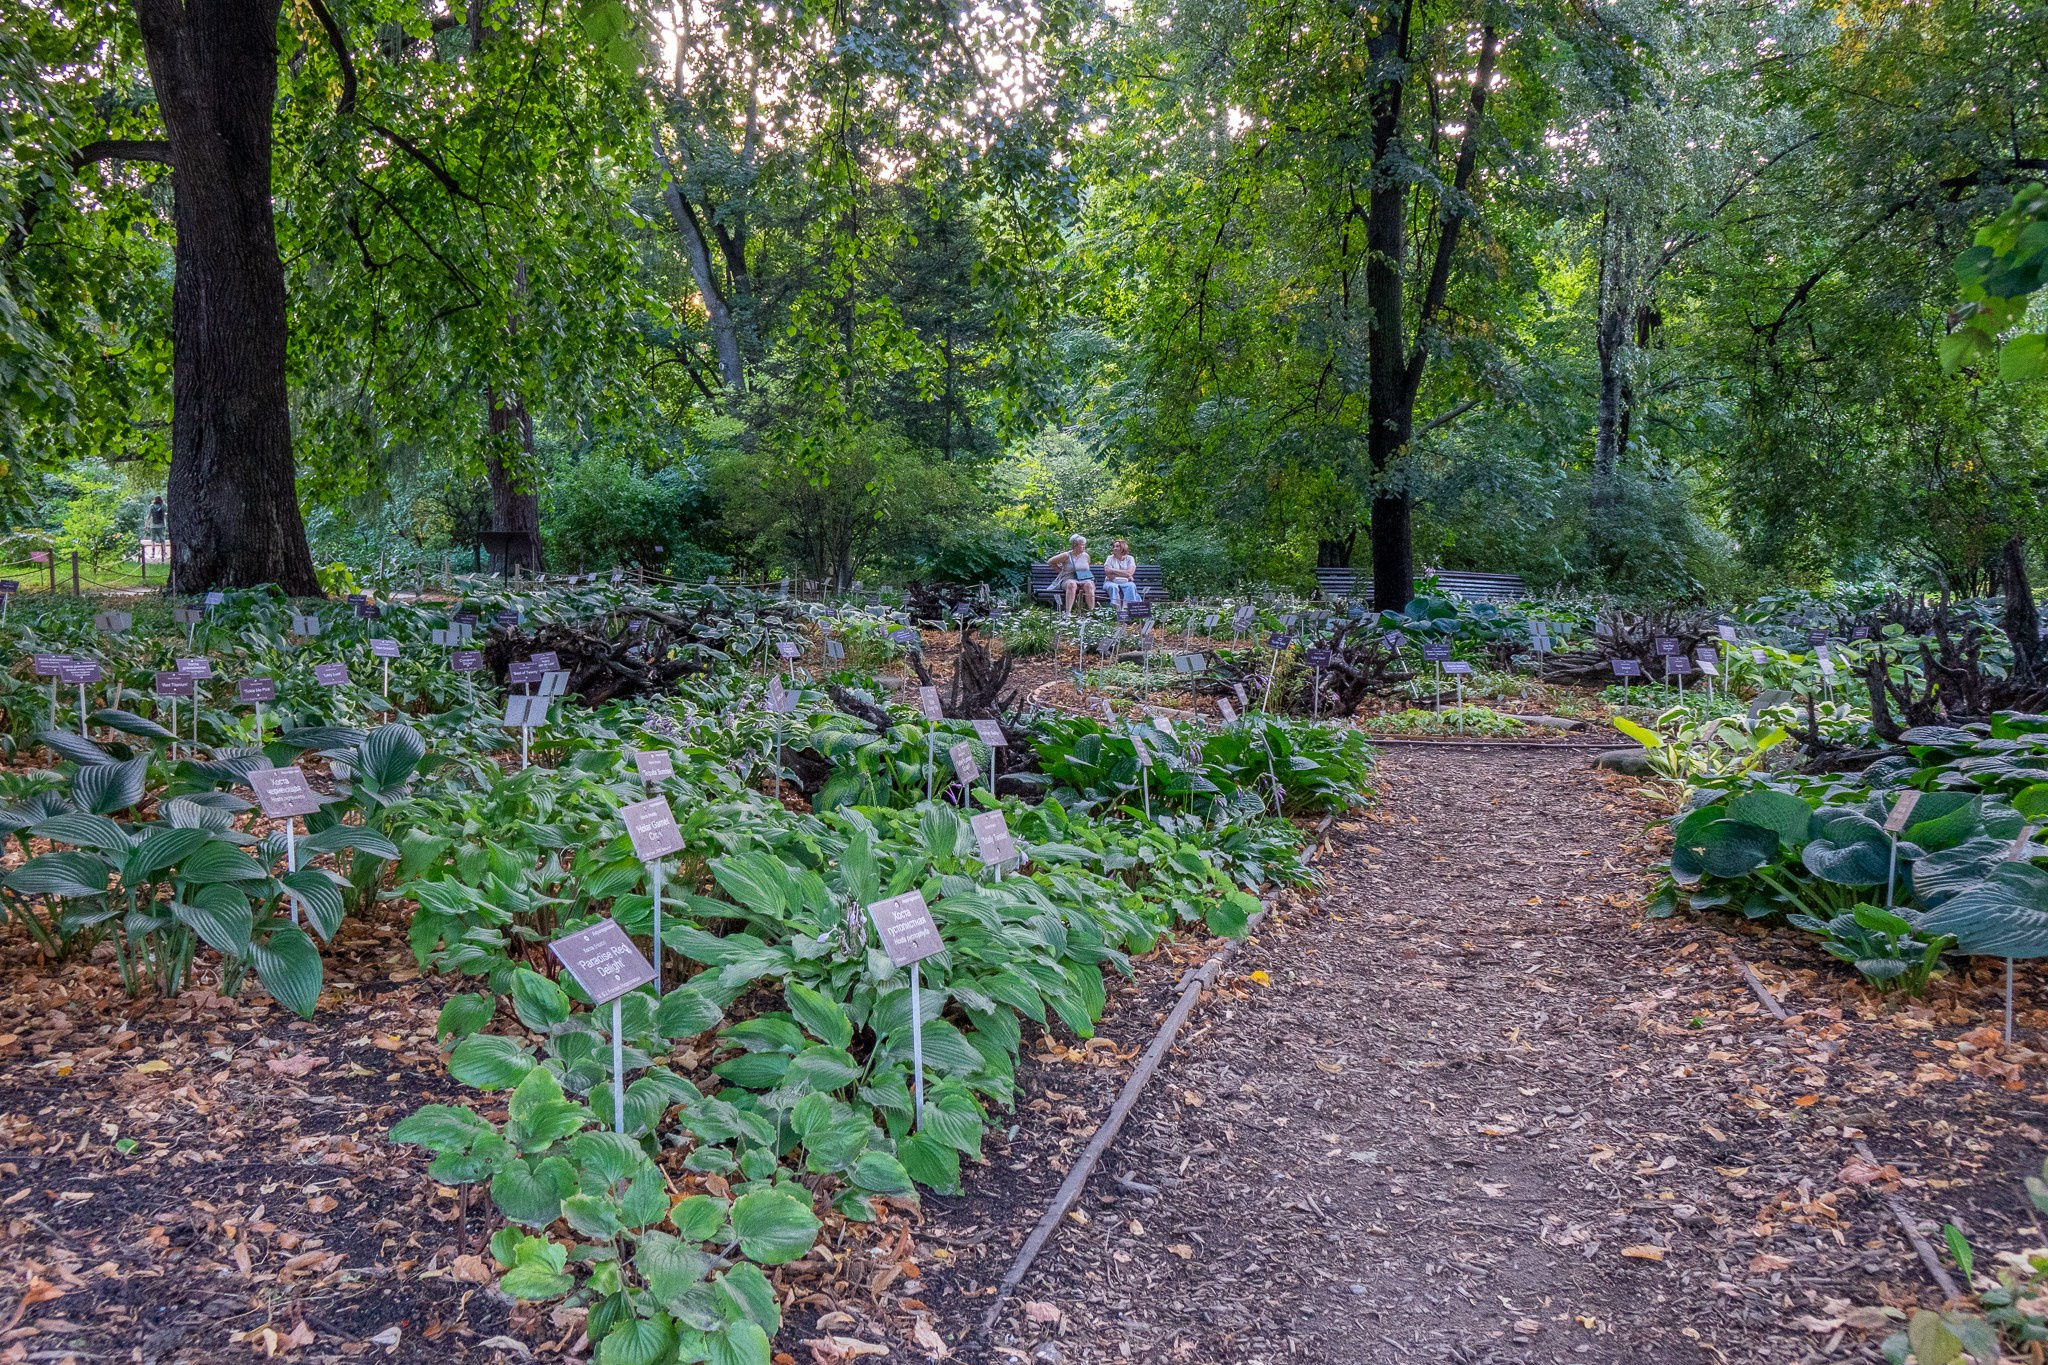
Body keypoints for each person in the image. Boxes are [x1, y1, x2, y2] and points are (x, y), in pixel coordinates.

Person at [1048, 534, 1096, 613]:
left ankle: (1092, 612)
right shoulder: (1067, 555)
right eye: (1082, 545)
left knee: (1089, 584)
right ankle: (1068, 613)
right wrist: (1060, 571)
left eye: (1084, 545)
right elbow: (1050, 562)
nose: (1084, 547)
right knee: (1072, 584)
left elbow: (1087, 567)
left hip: (1083, 579)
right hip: (1068, 579)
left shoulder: (1086, 556)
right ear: (1075, 545)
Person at [1102, 539, 1140, 608]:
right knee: (1113, 587)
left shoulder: (1130, 558)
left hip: (1126, 582)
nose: (1114, 548)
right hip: (1110, 582)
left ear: (1123, 548)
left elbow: (1129, 572)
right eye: (1114, 546)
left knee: (1131, 586)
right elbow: (1108, 574)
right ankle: (1117, 610)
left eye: (1117, 546)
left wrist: (1112, 570)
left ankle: (1128, 609)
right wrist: (1125, 575)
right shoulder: (1110, 558)